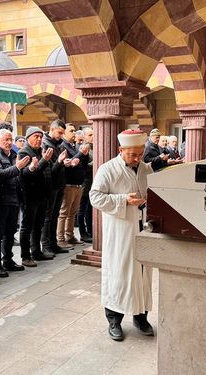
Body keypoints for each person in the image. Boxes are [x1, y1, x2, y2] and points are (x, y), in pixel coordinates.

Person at [89, 129, 154, 341]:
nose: (137, 159)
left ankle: (141, 317)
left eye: (140, 153)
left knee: (143, 274)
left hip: (143, 229)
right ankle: (114, 321)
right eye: (132, 154)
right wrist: (124, 200)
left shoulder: (146, 169)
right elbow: (95, 197)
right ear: (121, 150)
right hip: (120, 231)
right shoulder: (107, 169)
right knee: (119, 273)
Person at [0, 129, 30, 276]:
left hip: (14, 199)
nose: (9, 142)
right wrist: (18, 167)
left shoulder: (13, 154)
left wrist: (26, 169)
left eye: (10, 139)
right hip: (1, 200)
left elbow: (18, 176)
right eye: (6, 139)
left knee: (10, 232)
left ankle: (8, 260)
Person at [18, 127, 57, 265]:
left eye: (41, 137)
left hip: (43, 195)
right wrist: (43, 160)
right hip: (30, 196)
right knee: (27, 227)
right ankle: (25, 256)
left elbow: (49, 171)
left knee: (38, 226)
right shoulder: (24, 152)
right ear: (28, 138)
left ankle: (36, 252)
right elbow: (28, 174)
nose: (39, 139)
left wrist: (57, 161)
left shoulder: (40, 151)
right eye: (36, 136)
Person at [41, 120, 73, 254]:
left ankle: (53, 243)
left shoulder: (58, 144)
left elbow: (57, 166)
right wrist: (60, 162)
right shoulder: (46, 144)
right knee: (48, 217)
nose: (61, 135)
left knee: (54, 216)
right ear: (52, 129)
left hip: (59, 184)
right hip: (50, 186)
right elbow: (50, 170)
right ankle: (46, 245)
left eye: (62, 133)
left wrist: (63, 163)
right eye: (59, 132)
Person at [57, 124, 90, 247]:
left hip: (78, 184)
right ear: (64, 133)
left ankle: (69, 236)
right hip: (68, 183)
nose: (74, 133)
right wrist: (81, 154)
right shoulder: (63, 146)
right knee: (64, 212)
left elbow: (82, 165)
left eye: (75, 130)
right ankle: (60, 238)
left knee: (73, 213)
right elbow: (70, 164)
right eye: (71, 131)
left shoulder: (75, 146)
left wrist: (84, 155)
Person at [76, 127, 93, 243]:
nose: (93, 137)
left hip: (92, 183)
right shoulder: (81, 149)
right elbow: (81, 167)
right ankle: (83, 233)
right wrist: (94, 163)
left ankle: (90, 231)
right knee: (81, 210)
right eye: (90, 135)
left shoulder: (92, 148)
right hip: (84, 184)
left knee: (89, 210)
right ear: (85, 136)